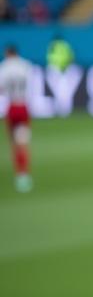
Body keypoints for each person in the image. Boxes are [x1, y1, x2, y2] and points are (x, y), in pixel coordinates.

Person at [0, 44, 33, 193]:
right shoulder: (26, 65)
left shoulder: (4, 67)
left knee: (13, 143)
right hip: (24, 106)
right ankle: (24, 175)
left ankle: (19, 174)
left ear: (8, 53)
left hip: (12, 107)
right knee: (23, 143)